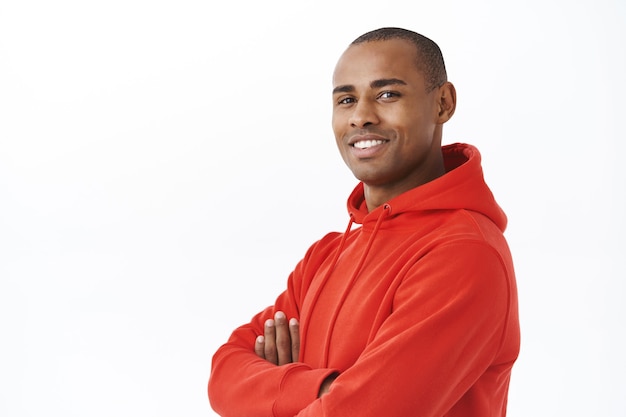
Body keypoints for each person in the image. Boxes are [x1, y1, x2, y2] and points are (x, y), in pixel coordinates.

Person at [208, 27, 520, 417]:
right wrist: (325, 388)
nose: (360, 117)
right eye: (346, 99)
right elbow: (224, 373)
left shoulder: (464, 253)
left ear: (443, 103)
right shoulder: (326, 255)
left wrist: (280, 391)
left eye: (387, 94)